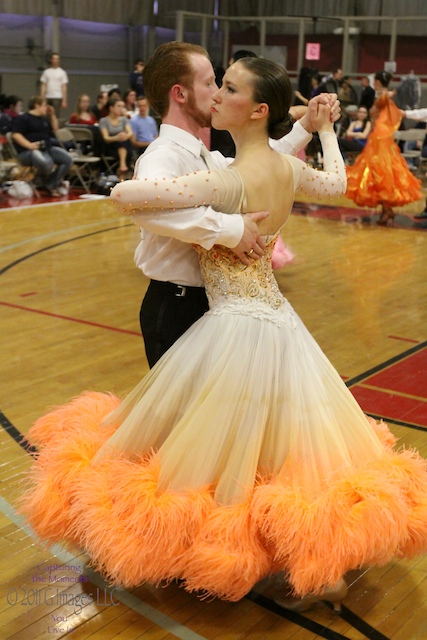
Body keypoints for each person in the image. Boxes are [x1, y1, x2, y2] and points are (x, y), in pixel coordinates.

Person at [20, 57, 427, 613]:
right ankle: (311, 562)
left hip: (229, 324)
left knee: (211, 451)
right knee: (282, 449)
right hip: (279, 322)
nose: (218, 94)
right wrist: (323, 130)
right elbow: (334, 181)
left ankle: (199, 549)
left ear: (256, 109)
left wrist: (198, 208)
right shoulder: (270, 170)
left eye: (228, 86)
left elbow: (125, 197)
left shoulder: (227, 176)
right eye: (216, 83)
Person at [122, 42, 340, 368]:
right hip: (177, 304)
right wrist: (230, 229)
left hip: (210, 303)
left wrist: (306, 126)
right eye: (210, 83)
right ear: (180, 94)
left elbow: (256, 166)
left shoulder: (204, 155)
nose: (216, 94)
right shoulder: (163, 154)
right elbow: (149, 209)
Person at [346, 70, 423, 225]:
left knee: (381, 171)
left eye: (375, 80)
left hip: (380, 136)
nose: (374, 83)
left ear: (378, 82)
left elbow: (376, 108)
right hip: (381, 134)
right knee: (380, 172)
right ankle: (386, 211)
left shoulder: (384, 95)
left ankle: (387, 211)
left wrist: (392, 93)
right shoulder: (383, 95)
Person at [11, 96, 72, 197]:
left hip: (46, 148)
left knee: (67, 159)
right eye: (44, 105)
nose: (46, 108)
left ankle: (50, 184)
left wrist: (52, 115)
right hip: (28, 151)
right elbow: (16, 135)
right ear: (36, 105)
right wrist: (29, 145)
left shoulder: (43, 119)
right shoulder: (23, 118)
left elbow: (55, 129)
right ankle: (37, 181)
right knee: (47, 163)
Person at [99, 97, 133, 174]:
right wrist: (117, 137)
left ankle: (122, 166)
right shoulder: (104, 121)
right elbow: (106, 137)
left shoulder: (124, 119)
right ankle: (123, 166)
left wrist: (125, 136)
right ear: (111, 108)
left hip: (124, 142)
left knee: (124, 142)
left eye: (122, 107)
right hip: (110, 145)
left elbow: (130, 132)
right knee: (121, 143)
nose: (121, 109)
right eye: (118, 106)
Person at [39, 52, 68, 117]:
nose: (55, 60)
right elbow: (43, 85)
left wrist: (64, 100)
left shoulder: (62, 72)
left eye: (57, 59)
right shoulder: (46, 72)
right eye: (54, 59)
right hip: (47, 96)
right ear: (51, 60)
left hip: (57, 96)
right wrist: (41, 97)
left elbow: (64, 87)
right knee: (45, 114)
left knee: (55, 115)